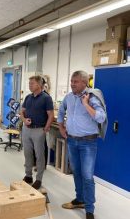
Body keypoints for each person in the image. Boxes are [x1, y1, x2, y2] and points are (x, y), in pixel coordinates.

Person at [57, 70, 107, 219]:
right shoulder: (69, 97)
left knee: (87, 176)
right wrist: (61, 127)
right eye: (72, 81)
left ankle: (89, 209)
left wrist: (85, 104)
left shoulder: (92, 97)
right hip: (72, 140)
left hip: (88, 143)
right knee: (76, 172)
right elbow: (61, 110)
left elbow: (101, 117)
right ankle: (80, 199)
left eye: (76, 81)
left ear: (84, 83)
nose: (72, 84)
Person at [20, 75, 54, 189]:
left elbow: (51, 115)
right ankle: (28, 175)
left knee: (39, 155)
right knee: (27, 153)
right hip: (26, 130)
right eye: (29, 83)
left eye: (32, 83)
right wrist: (24, 120)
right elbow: (22, 112)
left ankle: (39, 179)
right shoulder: (28, 97)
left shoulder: (46, 98)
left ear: (39, 85)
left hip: (39, 130)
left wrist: (45, 129)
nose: (30, 85)